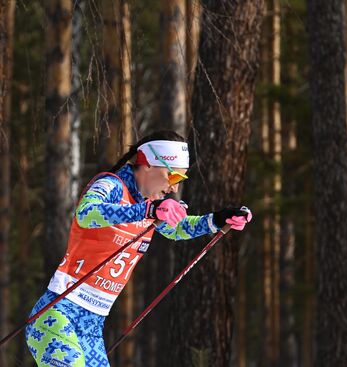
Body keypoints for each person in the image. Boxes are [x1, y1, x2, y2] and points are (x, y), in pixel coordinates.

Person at [25, 130, 252, 367]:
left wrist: (218, 220)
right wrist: (147, 211)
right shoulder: (111, 185)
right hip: (57, 316)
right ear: (147, 165)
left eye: (180, 181)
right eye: (172, 177)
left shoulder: (149, 205)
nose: (174, 188)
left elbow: (177, 229)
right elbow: (86, 214)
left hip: (92, 327)